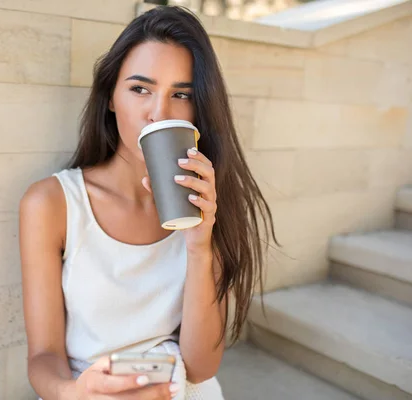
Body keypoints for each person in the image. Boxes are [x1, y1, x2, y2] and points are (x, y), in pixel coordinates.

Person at [19, 5, 276, 400]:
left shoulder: (206, 200)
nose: (158, 113)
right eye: (140, 89)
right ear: (110, 97)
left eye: (181, 94)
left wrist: (199, 244)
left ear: (198, 109)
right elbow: (43, 355)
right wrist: (73, 393)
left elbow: (201, 367)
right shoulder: (52, 204)